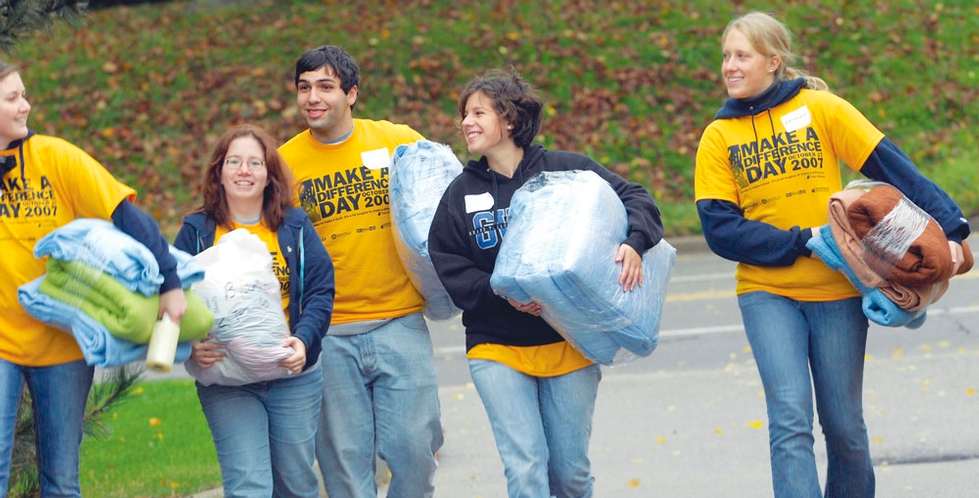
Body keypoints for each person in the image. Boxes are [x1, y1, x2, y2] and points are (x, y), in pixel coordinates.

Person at [694, 12, 970, 498]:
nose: (729, 66)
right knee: (789, 419)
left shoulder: (822, 109)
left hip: (838, 290)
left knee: (844, 426)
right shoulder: (719, 137)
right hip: (767, 292)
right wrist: (802, 241)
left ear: (773, 61)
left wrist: (952, 227)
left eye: (742, 55)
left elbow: (891, 165)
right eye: (726, 56)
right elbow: (721, 230)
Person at [428, 69, 663, 498]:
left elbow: (635, 197)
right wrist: (500, 293)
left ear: (511, 120)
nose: (466, 122)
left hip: (569, 343)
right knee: (526, 470)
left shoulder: (565, 170)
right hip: (495, 346)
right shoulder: (461, 193)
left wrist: (635, 242)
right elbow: (448, 261)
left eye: (478, 112)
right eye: (464, 114)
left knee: (570, 476)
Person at [0, 61, 188, 497]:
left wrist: (170, 281)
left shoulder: (55, 156)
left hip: (64, 342)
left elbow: (124, 213)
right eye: (12, 98)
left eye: (24, 94)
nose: (26, 105)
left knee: (61, 480)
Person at [278, 45, 443, 498]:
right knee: (345, 471)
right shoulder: (284, 164)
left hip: (400, 322)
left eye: (326, 87)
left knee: (415, 450)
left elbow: (443, 197)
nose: (313, 98)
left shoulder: (396, 140)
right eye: (305, 87)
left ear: (351, 93)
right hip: (326, 334)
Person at [174, 124, 334, 498]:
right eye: (234, 162)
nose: (244, 171)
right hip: (227, 382)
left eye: (254, 163)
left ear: (269, 174)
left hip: (293, 376)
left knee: (296, 484)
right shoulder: (196, 232)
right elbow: (167, 299)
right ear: (219, 171)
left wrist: (305, 342)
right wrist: (189, 347)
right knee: (249, 485)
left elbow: (320, 290)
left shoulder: (293, 225)